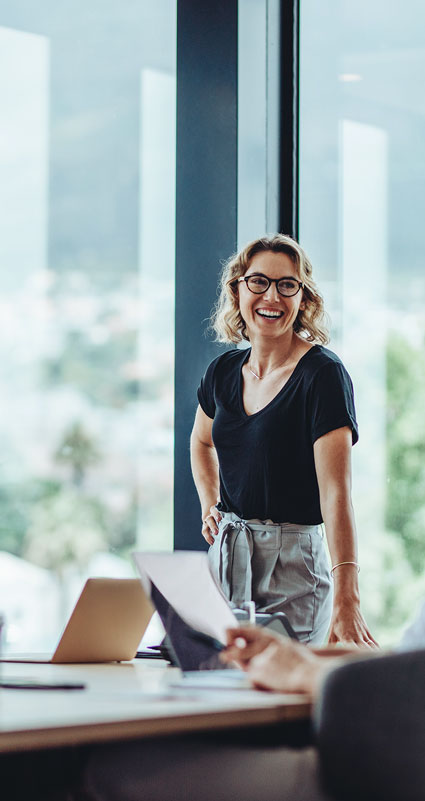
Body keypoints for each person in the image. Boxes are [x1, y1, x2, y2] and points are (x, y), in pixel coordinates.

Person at [190, 233, 376, 646]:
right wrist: (209, 503)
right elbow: (201, 443)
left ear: (303, 299)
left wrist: (349, 598)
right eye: (258, 281)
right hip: (226, 557)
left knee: (282, 700)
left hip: (293, 565)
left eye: (286, 285)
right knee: (219, 692)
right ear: (237, 289)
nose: (270, 296)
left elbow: (336, 495)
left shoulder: (322, 376)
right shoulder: (221, 372)